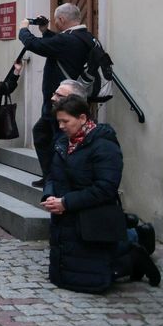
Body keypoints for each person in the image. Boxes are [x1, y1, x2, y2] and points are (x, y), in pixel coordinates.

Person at [39, 94, 126, 293]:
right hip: (65, 215)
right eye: (58, 121)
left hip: (91, 216)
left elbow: (105, 188)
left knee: (92, 274)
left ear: (83, 119)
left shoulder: (104, 146)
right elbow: (53, 174)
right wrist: (50, 196)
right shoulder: (63, 143)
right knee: (67, 271)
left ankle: (133, 252)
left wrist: (66, 202)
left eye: (65, 121)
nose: (61, 126)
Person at [19, 3, 97, 179]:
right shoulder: (86, 37)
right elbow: (58, 47)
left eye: (56, 21)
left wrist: (23, 29)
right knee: (44, 133)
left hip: (60, 101)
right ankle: (51, 176)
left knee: (55, 139)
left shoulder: (66, 40)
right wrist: (46, 31)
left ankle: (54, 178)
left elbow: (35, 45)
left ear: (61, 19)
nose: (56, 23)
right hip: (74, 98)